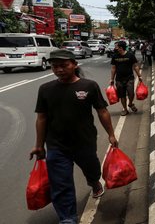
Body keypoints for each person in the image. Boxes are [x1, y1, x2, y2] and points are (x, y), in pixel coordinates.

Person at [29, 49, 119, 224]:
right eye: (55, 66)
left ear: (74, 64)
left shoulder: (88, 86)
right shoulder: (45, 89)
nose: (59, 70)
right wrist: (39, 145)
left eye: (64, 65)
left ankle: (94, 181)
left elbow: (102, 111)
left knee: (92, 168)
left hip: (84, 141)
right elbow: (41, 118)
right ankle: (68, 218)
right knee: (61, 184)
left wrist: (111, 135)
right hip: (56, 145)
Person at [110, 41, 142, 116]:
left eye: (117, 47)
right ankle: (125, 109)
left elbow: (135, 66)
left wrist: (139, 76)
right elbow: (113, 68)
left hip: (129, 77)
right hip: (119, 79)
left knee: (131, 93)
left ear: (121, 48)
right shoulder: (115, 56)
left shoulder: (130, 55)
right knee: (122, 95)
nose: (115, 48)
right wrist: (111, 79)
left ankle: (130, 103)